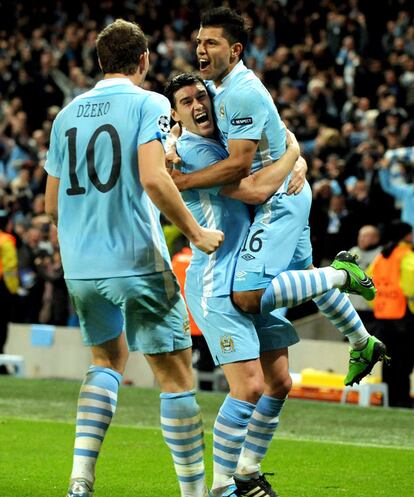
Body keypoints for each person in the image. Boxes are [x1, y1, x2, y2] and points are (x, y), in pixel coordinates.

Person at [44, 19, 223, 497]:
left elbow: (49, 205)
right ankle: (194, 493)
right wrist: (196, 231)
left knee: (106, 359)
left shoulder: (66, 115)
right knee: (175, 374)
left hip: (81, 267)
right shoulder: (150, 102)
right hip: (136, 258)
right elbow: (151, 177)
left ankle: (80, 479)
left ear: (101, 62)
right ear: (143, 60)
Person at [170, 7, 386, 391]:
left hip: (277, 200)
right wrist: (295, 155)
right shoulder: (219, 89)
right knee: (305, 279)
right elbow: (277, 129)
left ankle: (343, 273)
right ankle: (362, 341)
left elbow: (241, 171)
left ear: (234, 50)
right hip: (289, 190)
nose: (200, 49)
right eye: (199, 42)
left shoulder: (241, 93)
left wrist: (184, 181)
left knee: (249, 295)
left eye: (211, 43)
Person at [165, 72, 303, 497]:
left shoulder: (222, 137)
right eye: (185, 102)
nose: (197, 104)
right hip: (216, 283)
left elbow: (265, 141)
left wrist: (293, 155)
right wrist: (293, 154)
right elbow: (258, 190)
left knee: (279, 382)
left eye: (200, 95)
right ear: (174, 115)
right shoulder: (188, 153)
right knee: (249, 386)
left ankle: (247, 471)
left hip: (250, 272)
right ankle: (223, 486)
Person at [369, 221, 414, 408]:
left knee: (388, 361)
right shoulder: (406, 256)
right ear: (405, 236)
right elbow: (410, 285)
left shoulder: (381, 256)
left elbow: (367, 281)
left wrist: (379, 304)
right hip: (404, 317)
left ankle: (387, 399)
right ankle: (402, 400)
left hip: (383, 317)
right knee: (404, 362)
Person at [348, 225, 382, 333]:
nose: (361, 238)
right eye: (360, 235)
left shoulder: (381, 254)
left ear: (375, 239)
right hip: (352, 307)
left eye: (366, 236)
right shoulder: (352, 252)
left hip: (371, 308)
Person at [0, 209, 19, 373]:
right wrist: (13, 290)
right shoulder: (6, 240)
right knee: (1, 326)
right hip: (2, 288)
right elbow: (10, 267)